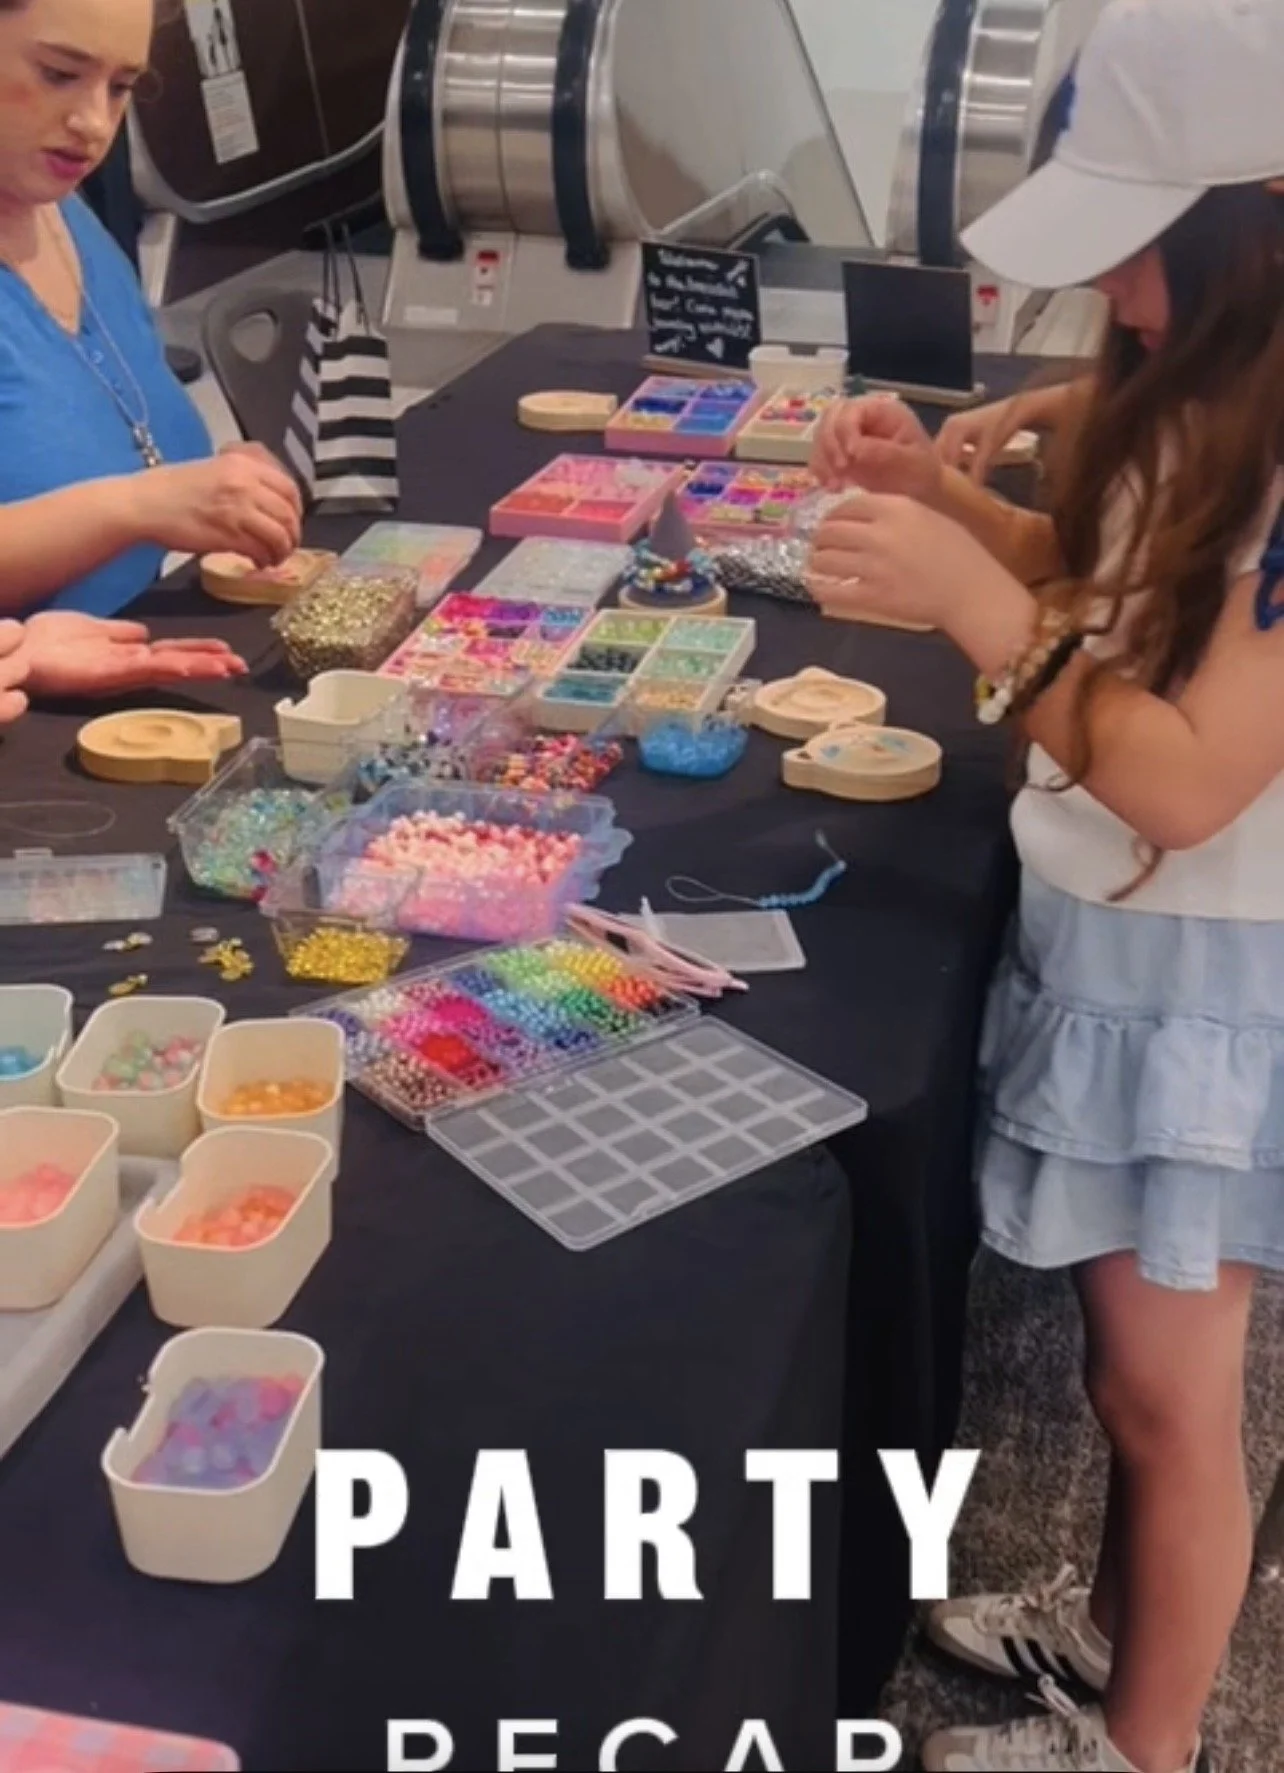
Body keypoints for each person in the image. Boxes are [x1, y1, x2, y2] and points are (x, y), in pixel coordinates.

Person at [808, 2, 1284, 1770]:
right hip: (1114, 935)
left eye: (1136, 247)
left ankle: (1144, 1744)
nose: (1112, 296)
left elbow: (1178, 764)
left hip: (1205, 978)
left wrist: (972, 603)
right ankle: (1103, 1634)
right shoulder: (1183, 386)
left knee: (1169, 1404)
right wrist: (943, 514)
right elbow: (1095, 602)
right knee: (1118, 1382)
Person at [0, 0, 301, 617]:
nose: (93, 122)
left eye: (120, 88)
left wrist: (215, 486)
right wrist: (137, 507)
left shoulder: (62, 213)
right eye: (58, 74)